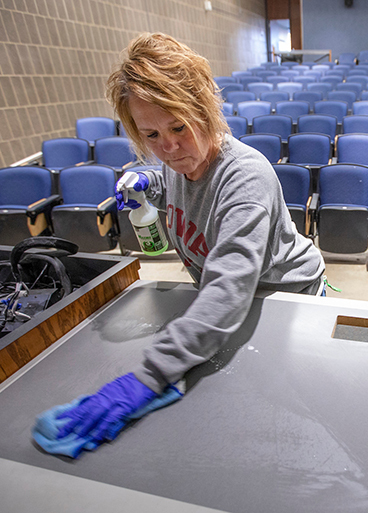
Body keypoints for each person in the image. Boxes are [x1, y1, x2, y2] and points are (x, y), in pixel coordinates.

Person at [48, 33, 325, 447]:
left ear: (206, 109)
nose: (170, 147)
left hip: (284, 297)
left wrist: (150, 376)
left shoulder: (246, 176)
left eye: (178, 126)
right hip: (236, 303)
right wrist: (150, 181)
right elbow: (176, 179)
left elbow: (228, 288)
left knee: (278, 413)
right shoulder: (176, 164)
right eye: (152, 135)